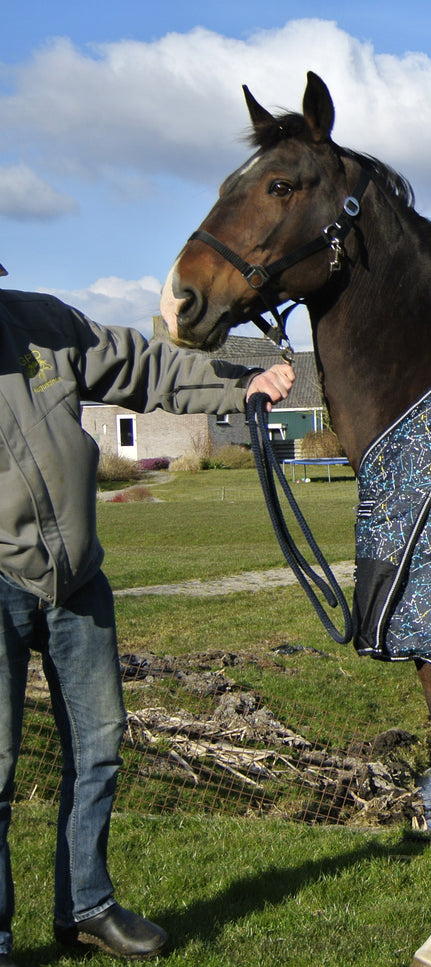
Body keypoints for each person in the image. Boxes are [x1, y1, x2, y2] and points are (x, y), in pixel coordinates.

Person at [0, 260, 294, 964]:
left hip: (78, 580)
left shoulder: (44, 324)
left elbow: (144, 366)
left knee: (100, 747)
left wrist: (237, 382)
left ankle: (86, 907)